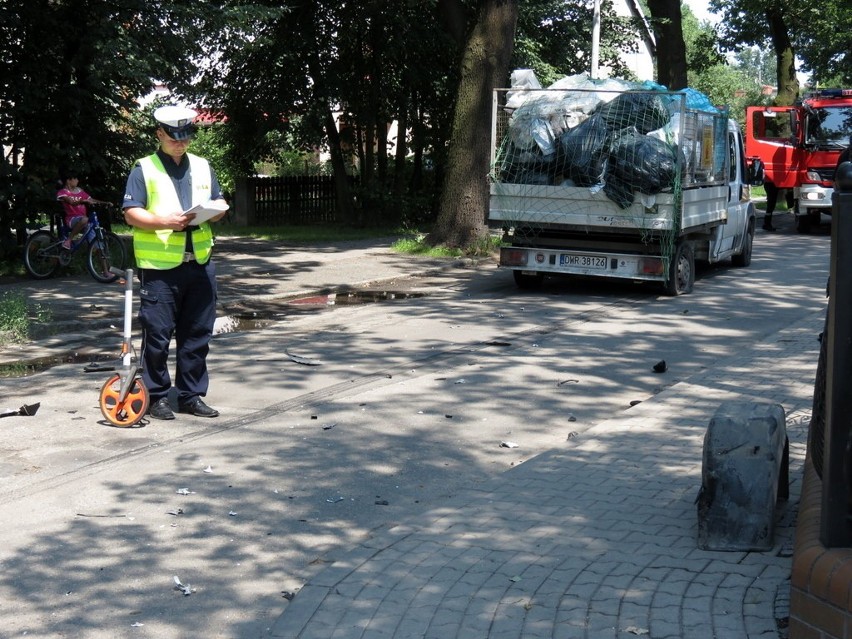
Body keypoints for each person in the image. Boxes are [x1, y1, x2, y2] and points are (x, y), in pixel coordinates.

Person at [122, 105, 228, 421]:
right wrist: (163, 221)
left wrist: (216, 210)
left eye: (185, 138)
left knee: (197, 333)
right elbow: (130, 212)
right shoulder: (144, 168)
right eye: (173, 138)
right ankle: (155, 397)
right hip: (159, 267)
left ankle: (190, 395)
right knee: (157, 334)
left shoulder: (203, 166)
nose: (180, 143)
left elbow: (221, 202)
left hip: (200, 261)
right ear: (159, 134)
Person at [56, 171, 109, 249]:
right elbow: (72, 203)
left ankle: (100, 254)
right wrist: (82, 201)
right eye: (75, 178)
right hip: (71, 219)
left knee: (97, 242)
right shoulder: (62, 192)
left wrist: (105, 203)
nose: (77, 180)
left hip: (83, 221)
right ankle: (69, 240)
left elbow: (91, 199)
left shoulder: (80, 191)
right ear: (68, 181)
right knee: (85, 219)